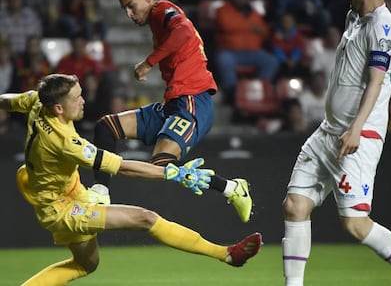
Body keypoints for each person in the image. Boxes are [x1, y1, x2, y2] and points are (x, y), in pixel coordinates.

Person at [0, 73, 262, 285]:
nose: (83, 102)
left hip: (65, 191)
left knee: (86, 265)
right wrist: (174, 172)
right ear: (58, 108)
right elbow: (123, 167)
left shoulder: (37, 102)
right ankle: (227, 255)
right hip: (63, 208)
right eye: (76, 99)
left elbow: (8, 101)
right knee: (145, 218)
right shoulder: (66, 142)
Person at [281, 0, 391, 285]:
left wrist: (356, 129)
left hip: (357, 136)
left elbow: (376, 82)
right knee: (294, 205)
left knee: (355, 224)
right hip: (329, 131)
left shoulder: (383, 26)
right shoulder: (353, 15)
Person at [91, 0, 253, 223]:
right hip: (173, 105)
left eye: (131, 6)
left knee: (162, 164)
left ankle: (232, 188)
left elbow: (184, 32)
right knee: (106, 127)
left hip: (192, 101)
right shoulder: (158, 21)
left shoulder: (162, 10)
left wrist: (148, 62)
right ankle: (101, 193)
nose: (129, 14)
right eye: (124, 9)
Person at [214, 0, 279, 105]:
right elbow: (227, 25)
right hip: (231, 51)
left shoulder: (253, 12)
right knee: (223, 60)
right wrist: (251, 27)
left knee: (271, 61)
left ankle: (259, 89)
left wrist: (250, 27)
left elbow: (264, 31)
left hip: (253, 51)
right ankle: (232, 93)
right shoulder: (223, 10)